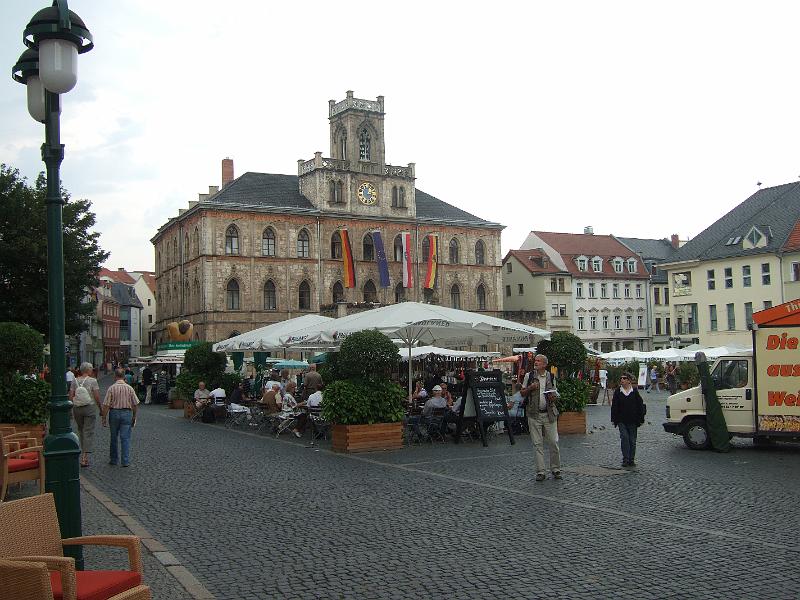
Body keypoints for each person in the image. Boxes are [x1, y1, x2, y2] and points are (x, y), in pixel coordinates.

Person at [521, 354, 562, 481]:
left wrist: (552, 397)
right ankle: (541, 471)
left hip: (549, 414)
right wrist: (530, 388)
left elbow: (555, 394)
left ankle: (555, 469)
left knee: (553, 442)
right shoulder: (529, 376)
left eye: (539, 361)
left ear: (545, 364)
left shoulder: (551, 376)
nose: (536, 362)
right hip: (534, 414)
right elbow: (522, 393)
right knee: (537, 444)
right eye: (535, 360)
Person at [101, 367, 140, 467]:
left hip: (114, 413)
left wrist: (104, 417)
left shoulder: (111, 388)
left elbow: (106, 404)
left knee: (113, 437)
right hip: (127, 413)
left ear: (115, 376)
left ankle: (114, 459)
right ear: (124, 376)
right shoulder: (129, 388)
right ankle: (125, 461)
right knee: (125, 438)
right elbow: (135, 404)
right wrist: (134, 416)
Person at [611, 372, 647, 468]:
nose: (622, 380)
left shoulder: (634, 391)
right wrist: (614, 419)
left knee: (632, 440)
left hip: (633, 420)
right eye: (621, 378)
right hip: (621, 420)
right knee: (624, 438)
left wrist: (641, 419)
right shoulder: (618, 392)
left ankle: (631, 459)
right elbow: (614, 406)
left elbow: (640, 406)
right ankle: (625, 459)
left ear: (629, 380)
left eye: (624, 378)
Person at [69, 362, 101, 468]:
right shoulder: (93, 381)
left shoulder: (74, 380)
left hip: (77, 408)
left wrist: (71, 409)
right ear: (88, 370)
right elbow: (96, 396)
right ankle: (84, 457)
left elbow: (71, 395)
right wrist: (100, 408)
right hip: (89, 407)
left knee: (81, 430)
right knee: (88, 431)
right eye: (91, 369)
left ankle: (83, 452)